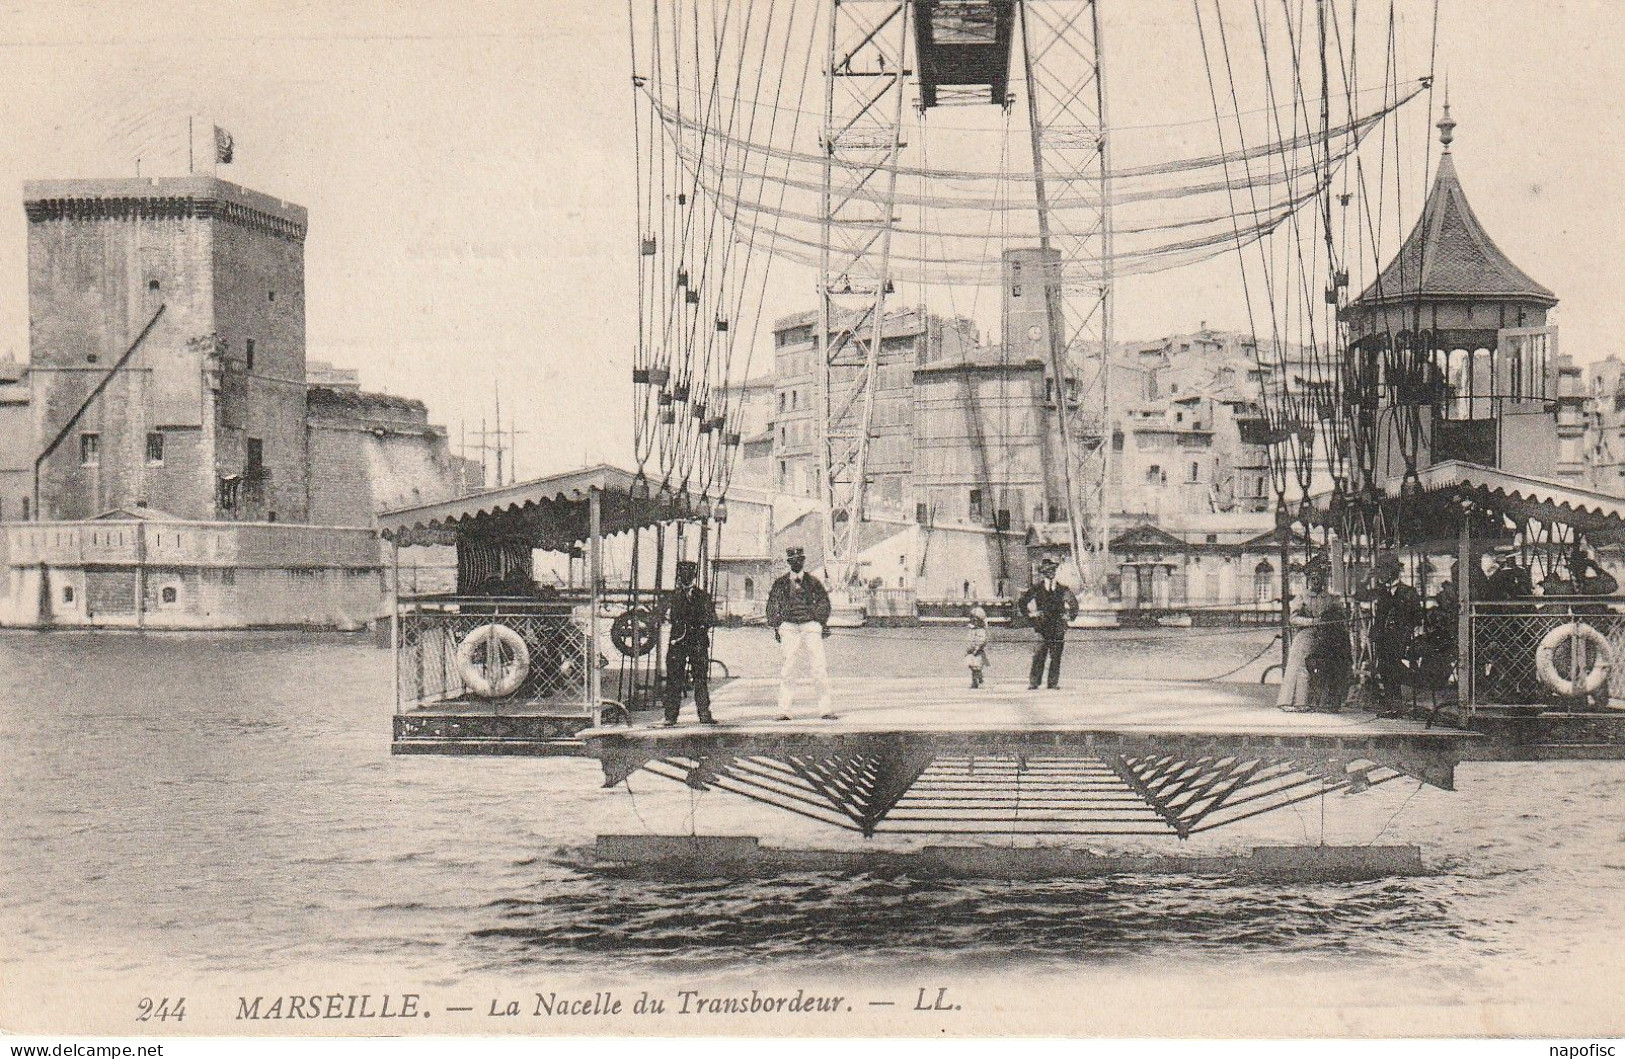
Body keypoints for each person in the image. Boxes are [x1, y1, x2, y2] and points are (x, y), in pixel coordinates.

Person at [765, 545, 835, 720]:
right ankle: (784, 710)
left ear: (803, 561)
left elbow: (824, 603)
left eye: (799, 559)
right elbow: (772, 605)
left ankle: (825, 709)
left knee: (819, 667)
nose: (796, 562)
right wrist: (777, 625)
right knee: (789, 668)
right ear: (789, 562)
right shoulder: (780, 584)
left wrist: (819, 621)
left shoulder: (813, 582)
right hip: (789, 627)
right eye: (793, 560)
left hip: (810, 626)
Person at [1355, 550, 1422, 715]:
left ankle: (1396, 702)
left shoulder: (1408, 592)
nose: (1380, 574)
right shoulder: (1380, 591)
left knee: (1392, 667)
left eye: (1382, 571)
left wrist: (1406, 631)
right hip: (1381, 636)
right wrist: (1365, 579)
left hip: (1399, 637)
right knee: (1384, 667)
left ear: (1392, 572)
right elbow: (1360, 596)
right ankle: (1392, 702)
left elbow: (1417, 616)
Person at [660, 560, 717, 727]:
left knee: (700, 679)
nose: (686, 577)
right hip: (678, 642)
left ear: (694, 575)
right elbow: (658, 616)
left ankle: (704, 714)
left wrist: (703, 624)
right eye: (683, 574)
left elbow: (712, 617)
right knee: (674, 679)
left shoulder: (702, 596)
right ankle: (670, 716)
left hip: (697, 642)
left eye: (689, 574)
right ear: (679, 576)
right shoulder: (672, 597)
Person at [1017, 556, 1078, 690]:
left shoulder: (1063, 589)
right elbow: (1022, 602)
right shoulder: (1037, 588)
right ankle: (1034, 682)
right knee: (1038, 655)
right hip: (1041, 627)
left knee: (1056, 656)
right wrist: (1030, 615)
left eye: (1052, 570)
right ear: (1043, 573)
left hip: (1057, 627)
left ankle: (1053, 683)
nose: (1051, 573)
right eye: (1048, 571)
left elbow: (1074, 604)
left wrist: (1069, 616)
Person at [1278, 566, 1333, 712]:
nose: (1316, 581)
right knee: (1299, 665)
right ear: (1309, 580)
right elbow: (1293, 619)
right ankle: (1294, 702)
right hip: (1305, 635)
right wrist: (1311, 622)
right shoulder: (1302, 596)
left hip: (1323, 636)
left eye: (1319, 578)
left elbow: (1336, 615)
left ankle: (1320, 702)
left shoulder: (1329, 598)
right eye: (1313, 578)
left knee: (1326, 665)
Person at [965, 606, 990, 689]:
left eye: (976, 619)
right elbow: (969, 639)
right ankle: (979, 679)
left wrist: (977, 648)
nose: (974, 620)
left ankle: (976, 681)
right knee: (973, 667)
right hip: (971, 651)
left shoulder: (981, 630)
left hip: (978, 652)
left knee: (976, 667)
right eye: (973, 618)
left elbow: (982, 640)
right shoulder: (972, 629)